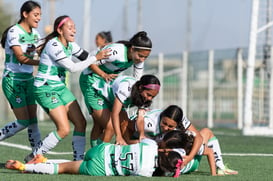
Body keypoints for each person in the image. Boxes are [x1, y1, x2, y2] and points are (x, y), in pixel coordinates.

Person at [23, 15, 110, 163]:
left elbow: (88, 58)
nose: (74, 30)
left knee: (81, 123)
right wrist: (96, 58)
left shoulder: (71, 45)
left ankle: (78, 160)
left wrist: (105, 68)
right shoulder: (53, 45)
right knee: (64, 129)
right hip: (45, 88)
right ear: (59, 30)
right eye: (70, 27)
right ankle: (34, 156)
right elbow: (73, 67)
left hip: (59, 88)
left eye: (74, 27)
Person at [79, 31, 152, 147]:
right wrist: (103, 75)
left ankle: (94, 154)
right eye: (141, 56)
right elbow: (90, 63)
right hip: (90, 81)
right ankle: (98, 156)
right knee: (110, 126)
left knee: (99, 124)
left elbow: (136, 83)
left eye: (146, 57)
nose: (142, 60)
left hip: (106, 84)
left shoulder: (138, 60)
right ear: (132, 49)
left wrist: (141, 105)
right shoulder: (116, 52)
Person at [128, 105, 238, 175]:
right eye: (164, 123)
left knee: (206, 132)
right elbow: (127, 127)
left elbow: (198, 137)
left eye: (170, 127)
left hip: (165, 150)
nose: (166, 128)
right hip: (153, 149)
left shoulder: (178, 131)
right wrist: (130, 140)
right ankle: (220, 168)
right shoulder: (149, 122)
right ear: (161, 117)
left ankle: (220, 167)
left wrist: (189, 158)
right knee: (207, 133)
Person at [5, 136, 183, 177]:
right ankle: (24, 166)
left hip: (103, 150)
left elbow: (140, 139)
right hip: (102, 169)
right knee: (63, 169)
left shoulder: (151, 146)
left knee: (70, 163)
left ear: (165, 152)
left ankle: (42, 160)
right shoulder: (146, 172)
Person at [0, 1, 42, 150]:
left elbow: (39, 52)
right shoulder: (14, 32)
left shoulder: (36, 34)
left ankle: (37, 155)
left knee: (33, 120)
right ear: (25, 14)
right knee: (23, 121)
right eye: (36, 15)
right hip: (13, 81)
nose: (39, 18)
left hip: (28, 80)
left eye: (40, 15)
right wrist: (42, 63)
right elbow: (21, 58)